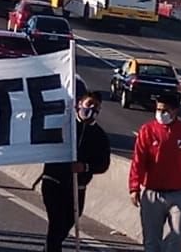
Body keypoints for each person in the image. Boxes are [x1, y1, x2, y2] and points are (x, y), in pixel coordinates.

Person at [129, 91, 181, 252]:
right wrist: (134, 187)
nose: (161, 113)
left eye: (165, 110)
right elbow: (138, 161)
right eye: (158, 109)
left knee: (178, 238)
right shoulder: (147, 131)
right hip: (152, 194)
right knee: (151, 242)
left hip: (180, 195)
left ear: (175, 111)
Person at [41, 91, 111, 252]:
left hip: (77, 188)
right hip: (54, 181)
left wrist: (85, 167)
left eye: (96, 107)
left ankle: (49, 248)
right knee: (56, 222)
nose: (92, 109)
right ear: (79, 103)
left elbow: (103, 164)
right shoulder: (65, 125)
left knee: (67, 224)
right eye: (89, 104)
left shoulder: (100, 136)